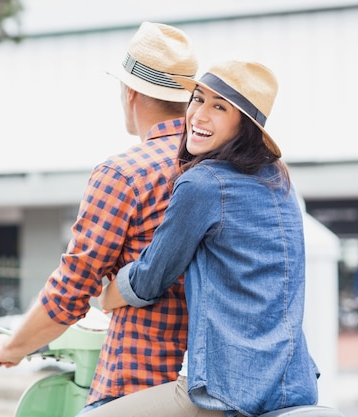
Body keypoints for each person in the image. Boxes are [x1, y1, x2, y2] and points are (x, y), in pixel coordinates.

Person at [0, 22, 198, 412]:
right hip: (213, 382)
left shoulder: (125, 173)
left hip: (140, 382)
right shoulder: (225, 169)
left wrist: (11, 347)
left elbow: (71, 290)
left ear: (130, 92)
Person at [86, 60, 320, 417]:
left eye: (219, 107)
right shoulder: (279, 182)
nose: (199, 115)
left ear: (244, 126)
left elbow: (151, 276)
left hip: (227, 387)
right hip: (291, 381)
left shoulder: (203, 184)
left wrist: (108, 294)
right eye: (197, 99)